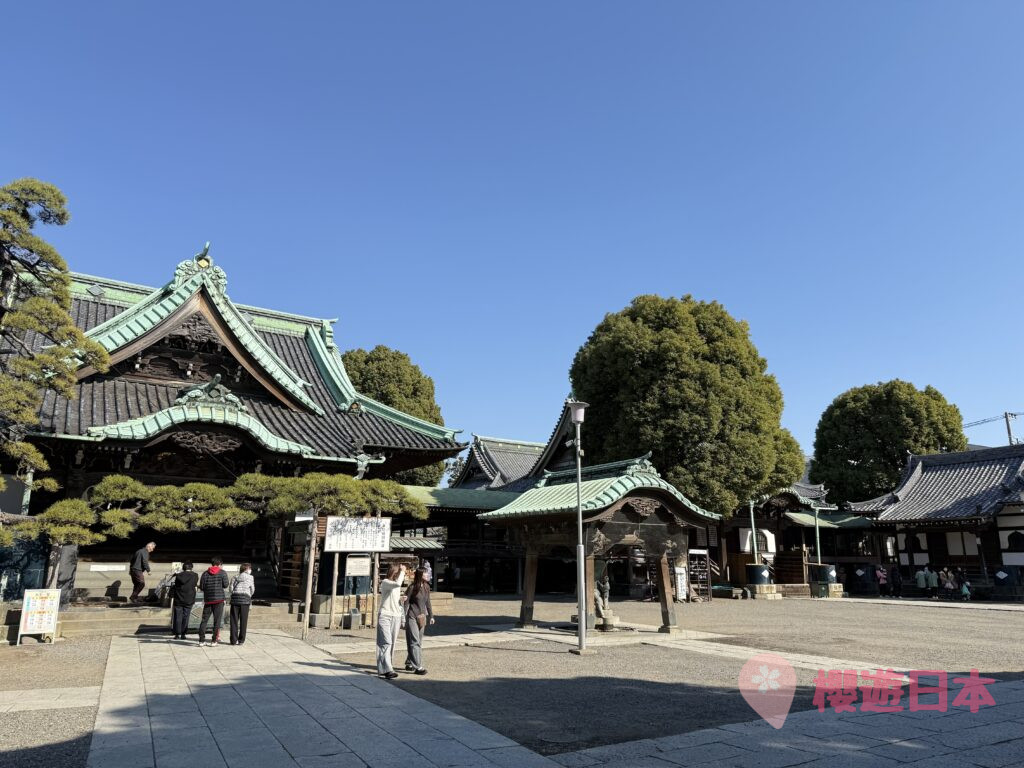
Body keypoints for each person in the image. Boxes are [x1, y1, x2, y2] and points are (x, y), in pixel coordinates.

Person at [376, 563, 406, 679]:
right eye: (398, 572)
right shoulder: (385, 582)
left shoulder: (395, 586)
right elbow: (398, 583)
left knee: (392, 643)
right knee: (386, 642)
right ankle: (388, 669)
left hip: (396, 616)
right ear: (394, 572)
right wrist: (403, 571)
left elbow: (394, 597)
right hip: (385, 615)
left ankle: (386, 668)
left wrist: (400, 599)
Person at [404, 567, 434, 675]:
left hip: (422, 617)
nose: (428, 575)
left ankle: (409, 662)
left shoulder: (426, 587)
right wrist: (404, 617)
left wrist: (431, 616)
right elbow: (406, 603)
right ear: (420, 575)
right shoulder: (412, 587)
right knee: (414, 641)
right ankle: (418, 667)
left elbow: (428, 603)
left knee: (418, 642)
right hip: (412, 616)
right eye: (426, 573)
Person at [198, 557, 229, 647]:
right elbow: (225, 585)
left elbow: (202, 587)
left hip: (208, 600)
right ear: (220, 564)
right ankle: (214, 640)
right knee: (217, 621)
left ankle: (201, 640)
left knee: (204, 620)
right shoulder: (222, 573)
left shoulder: (205, 573)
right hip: (219, 600)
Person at [170, 561, 198, 639]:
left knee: (177, 616)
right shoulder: (195, 575)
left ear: (183, 568)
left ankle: (177, 634)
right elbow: (194, 585)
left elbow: (176, 586)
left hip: (178, 598)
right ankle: (183, 634)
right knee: (186, 616)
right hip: (189, 599)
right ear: (191, 567)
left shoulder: (178, 576)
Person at [229, 563, 255, 645]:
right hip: (245, 601)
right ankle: (241, 640)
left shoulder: (234, 577)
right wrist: (248, 595)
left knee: (233, 621)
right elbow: (252, 589)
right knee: (243, 621)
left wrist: (235, 593)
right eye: (250, 568)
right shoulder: (251, 578)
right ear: (247, 569)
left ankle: (233, 640)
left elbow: (231, 589)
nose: (251, 570)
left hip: (235, 600)